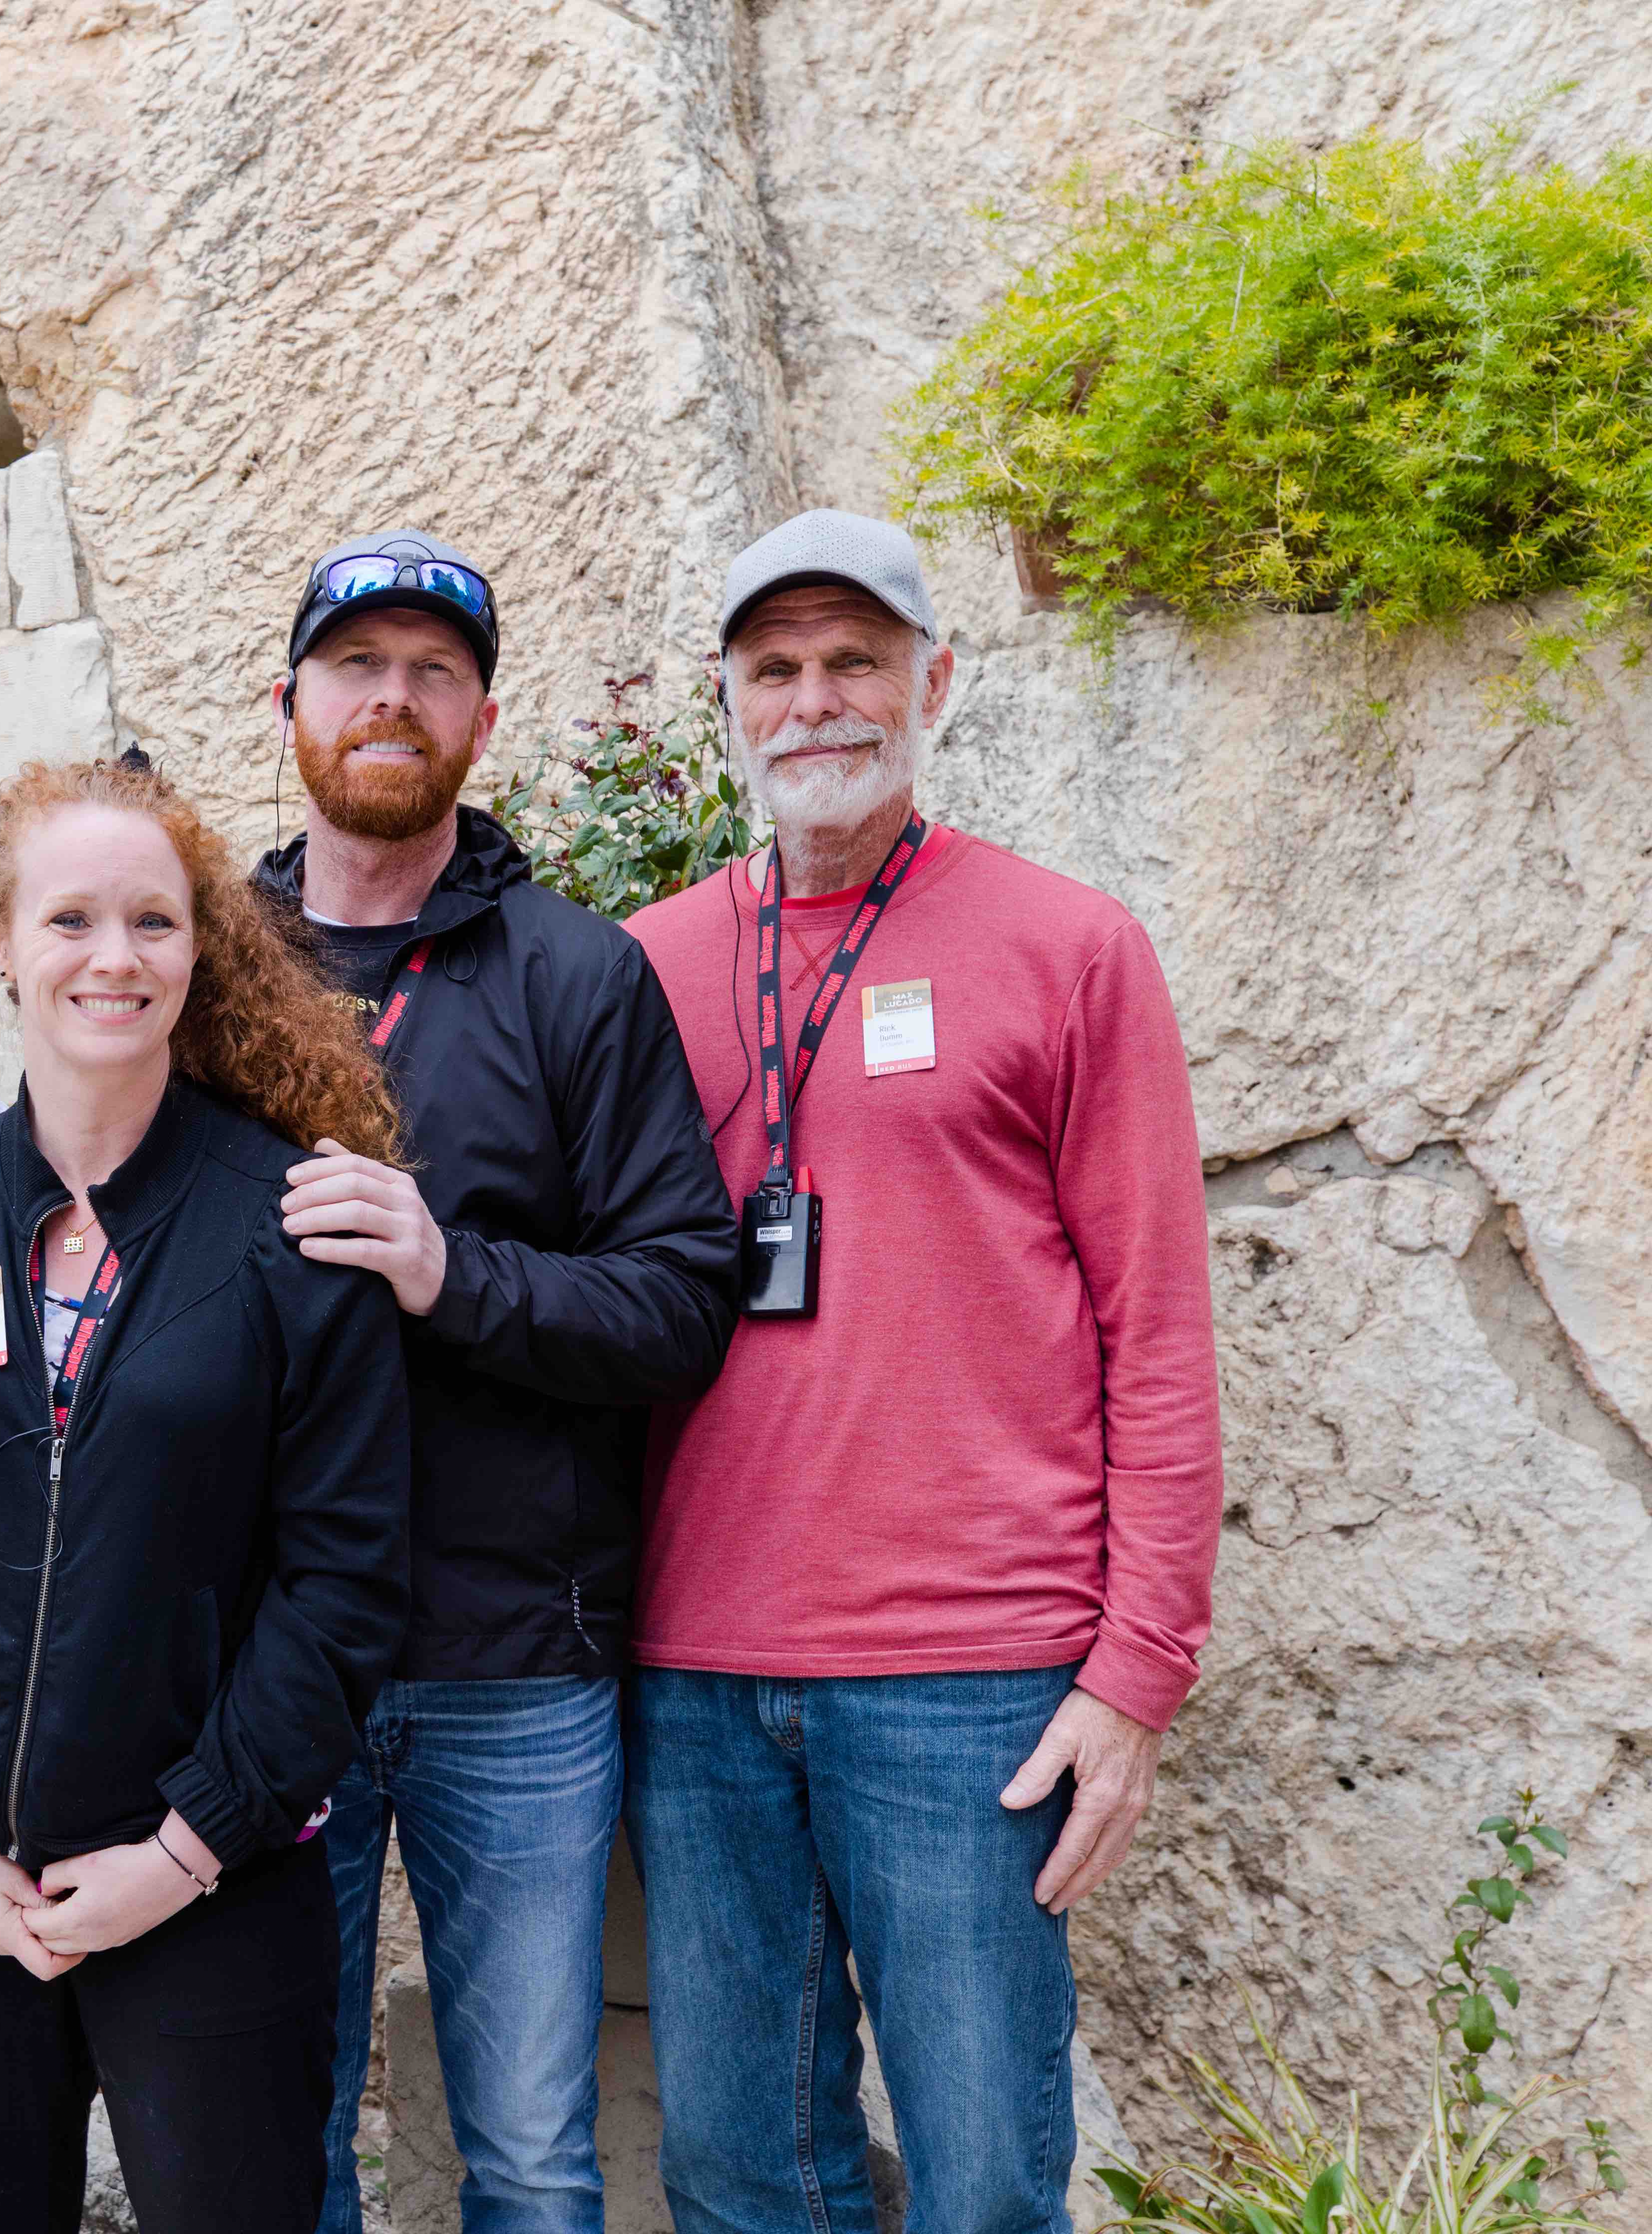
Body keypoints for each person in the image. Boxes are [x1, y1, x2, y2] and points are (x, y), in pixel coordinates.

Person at [623, 510, 1222, 2234]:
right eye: (777, 669)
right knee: (743, 2177)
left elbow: (1157, 1336)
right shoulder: (645, 970)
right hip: (694, 1673)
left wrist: (1136, 1678)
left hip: (975, 1686)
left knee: (982, 2181)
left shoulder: (1068, 948)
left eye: (856, 661)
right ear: (729, 705)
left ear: (934, 683)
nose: (817, 701)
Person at [0, 755, 413, 2234]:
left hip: (212, 1891)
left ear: (199, 950)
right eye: (70, 920)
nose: (112, 958)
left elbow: (344, 1587)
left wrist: (183, 1852)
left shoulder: (291, 1229)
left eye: (153, 922)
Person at [249, 530, 741, 2234]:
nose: (393, 698)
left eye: (432, 672)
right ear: (293, 701)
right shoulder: (196, 971)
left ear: (482, 716)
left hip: (515, 1662)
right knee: (271, 2139)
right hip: (259, 1658)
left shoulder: (576, 974)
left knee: (531, 2156)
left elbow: (681, 1303)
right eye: (357, 666)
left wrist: (449, 1272)